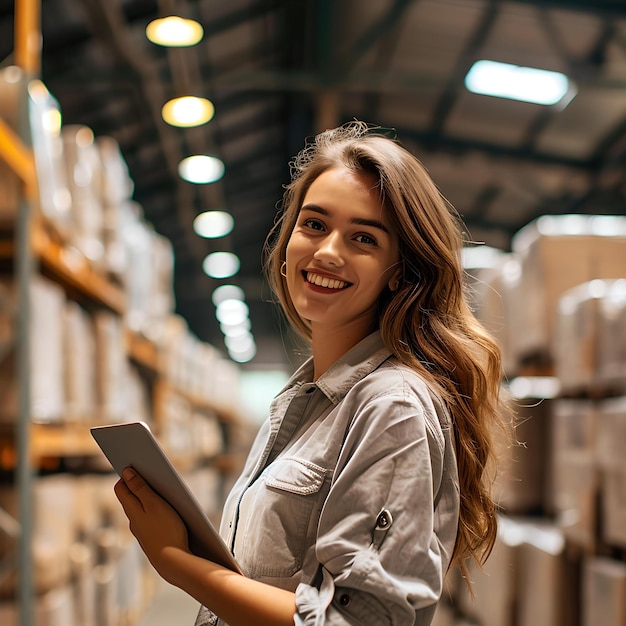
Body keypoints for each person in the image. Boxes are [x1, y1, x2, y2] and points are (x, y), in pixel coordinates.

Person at [114, 121, 508, 626]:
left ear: (399, 272)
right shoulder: (303, 401)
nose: (327, 250)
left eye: (363, 238)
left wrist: (177, 563)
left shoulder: (392, 406)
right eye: (314, 224)